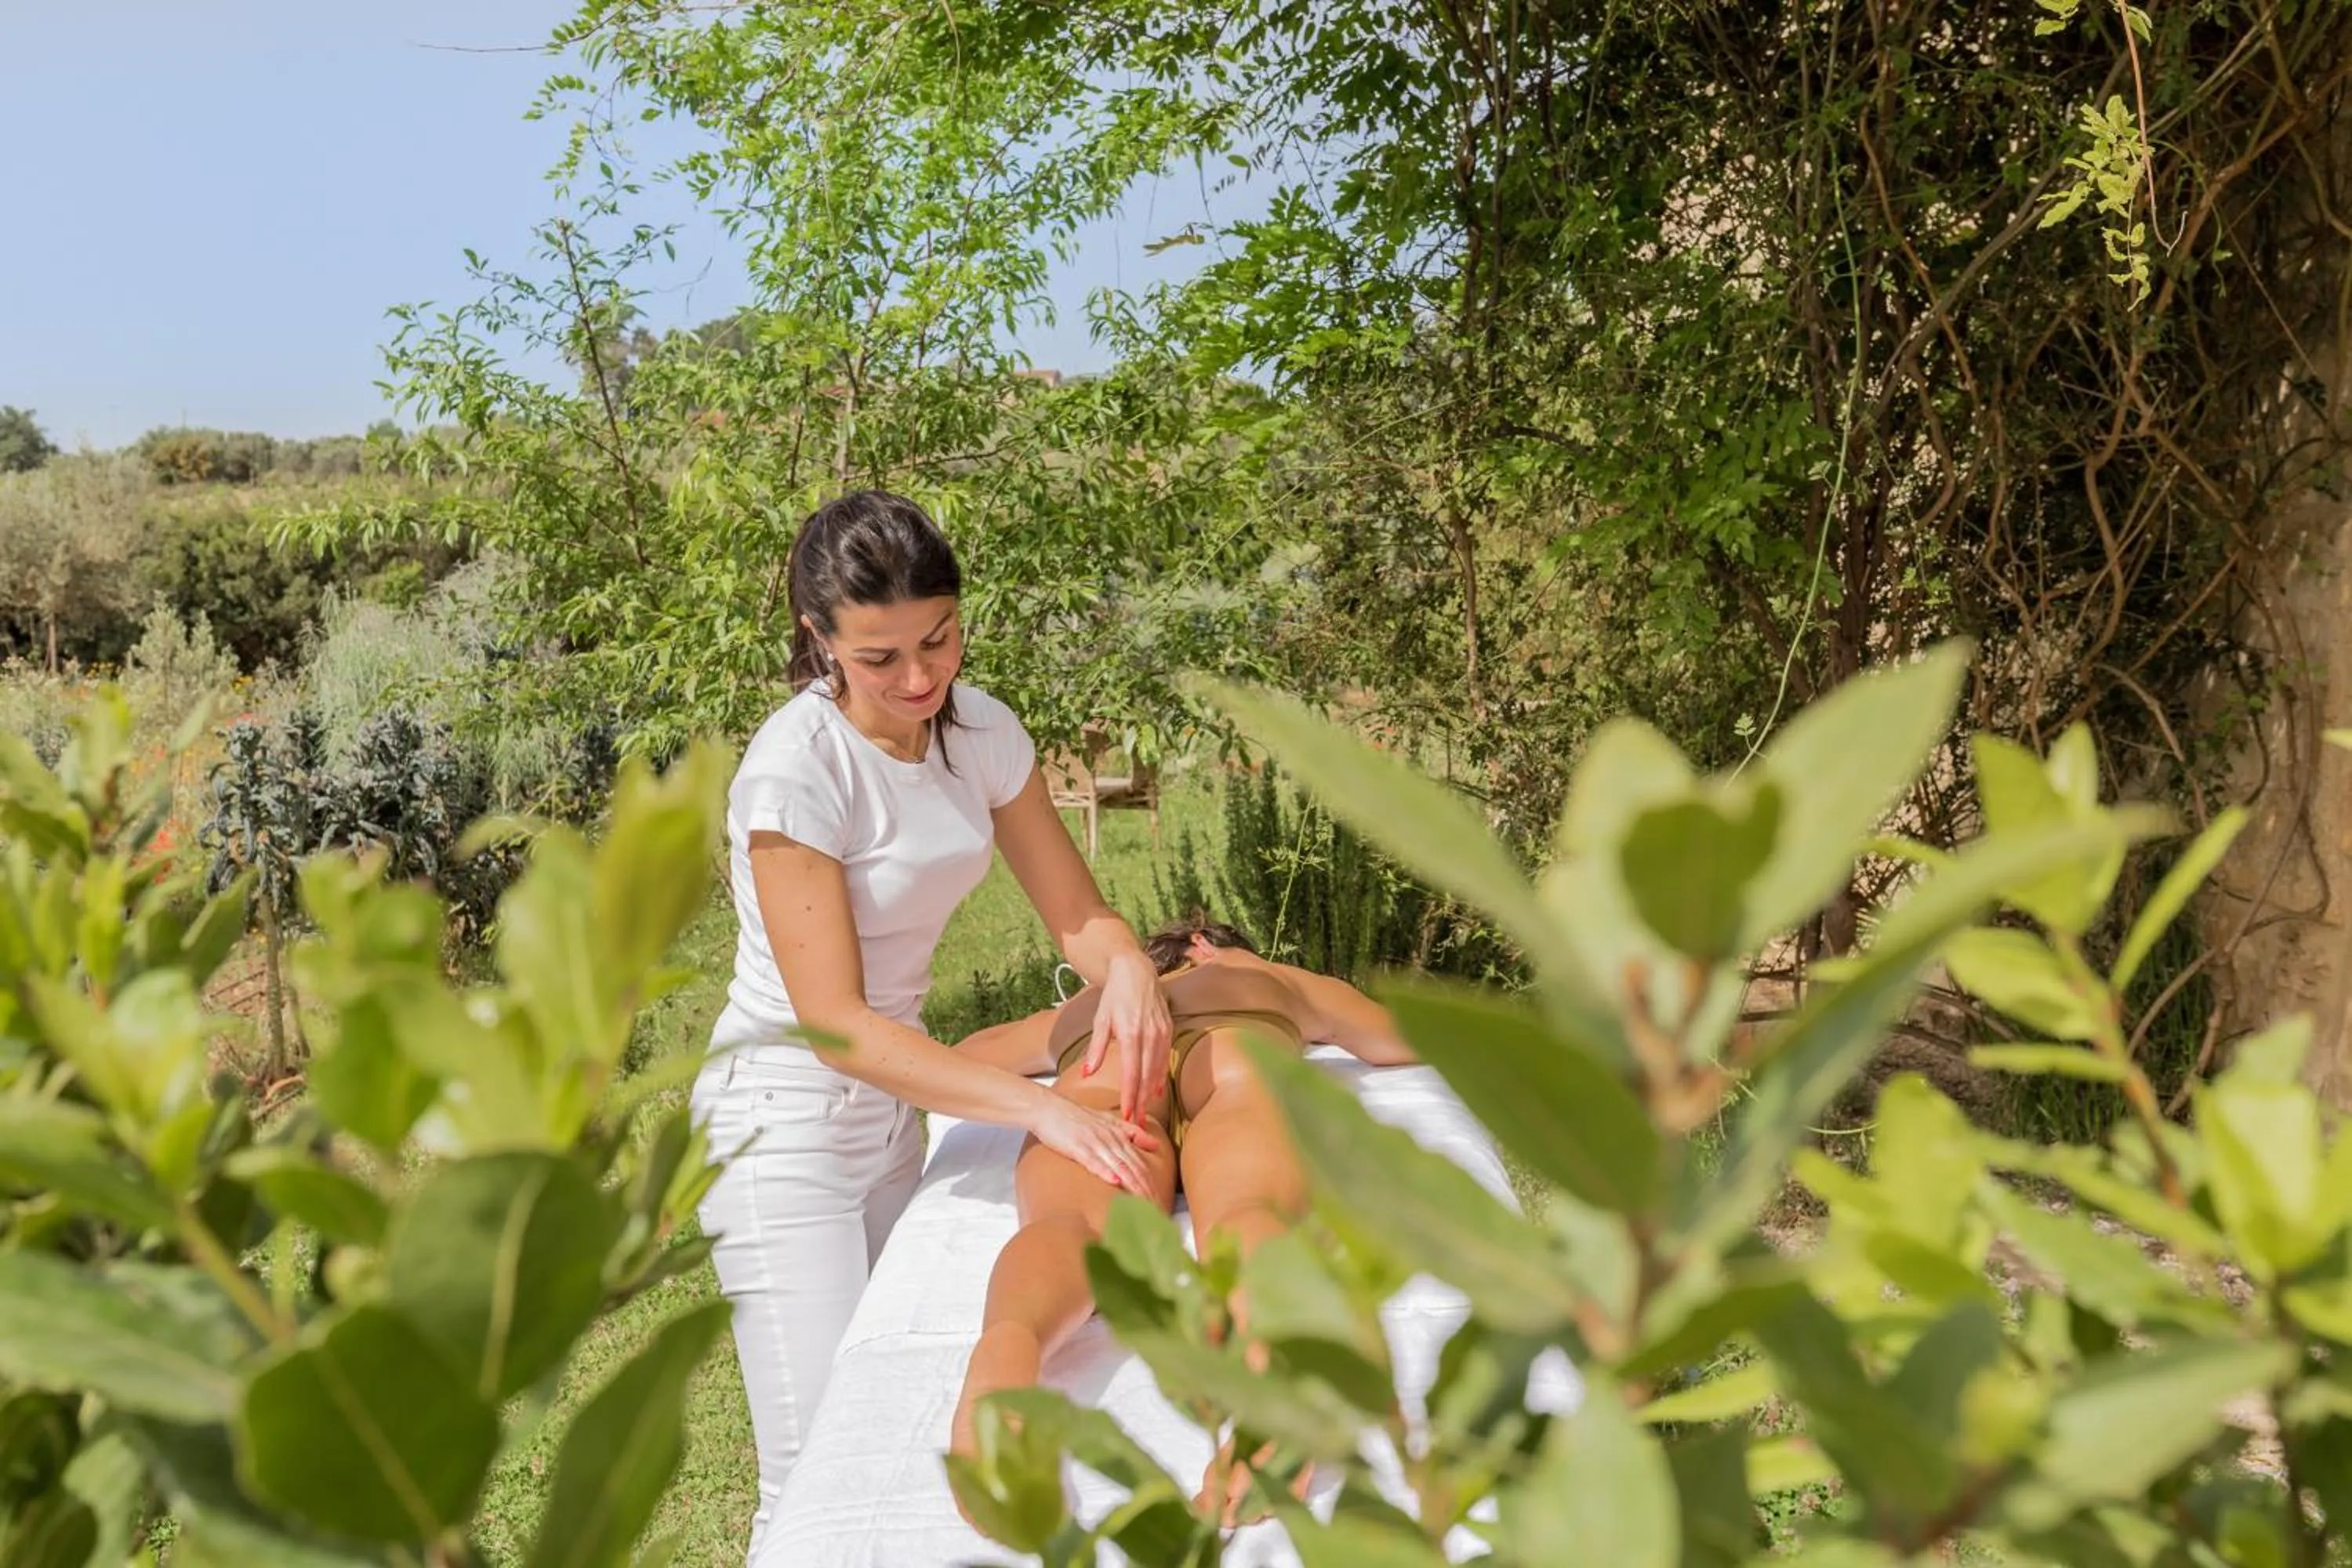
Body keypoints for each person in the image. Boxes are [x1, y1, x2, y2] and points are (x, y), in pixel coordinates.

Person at [693, 489, 1174, 1559]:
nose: (920, 678)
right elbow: (835, 1024)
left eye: (940, 638)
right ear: (819, 638)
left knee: (891, 1414)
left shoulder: (983, 731)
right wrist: (1037, 1111)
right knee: (813, 1473)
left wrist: (1133, 967)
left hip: (894, 1112)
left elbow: (1079, 917)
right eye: (880, 657)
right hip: (782, 1127)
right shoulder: (797, 770)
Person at [945, 913, 1417, 1516]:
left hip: (1105, 1061)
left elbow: (965, 1058)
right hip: (1235, 1048)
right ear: (1205, 944)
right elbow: (1395, 1039)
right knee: (1247, 1209)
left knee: (1071, 1226)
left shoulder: (1086, 1004)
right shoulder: (1266, 976)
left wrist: (1068, 1024)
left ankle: (1006, 1355)